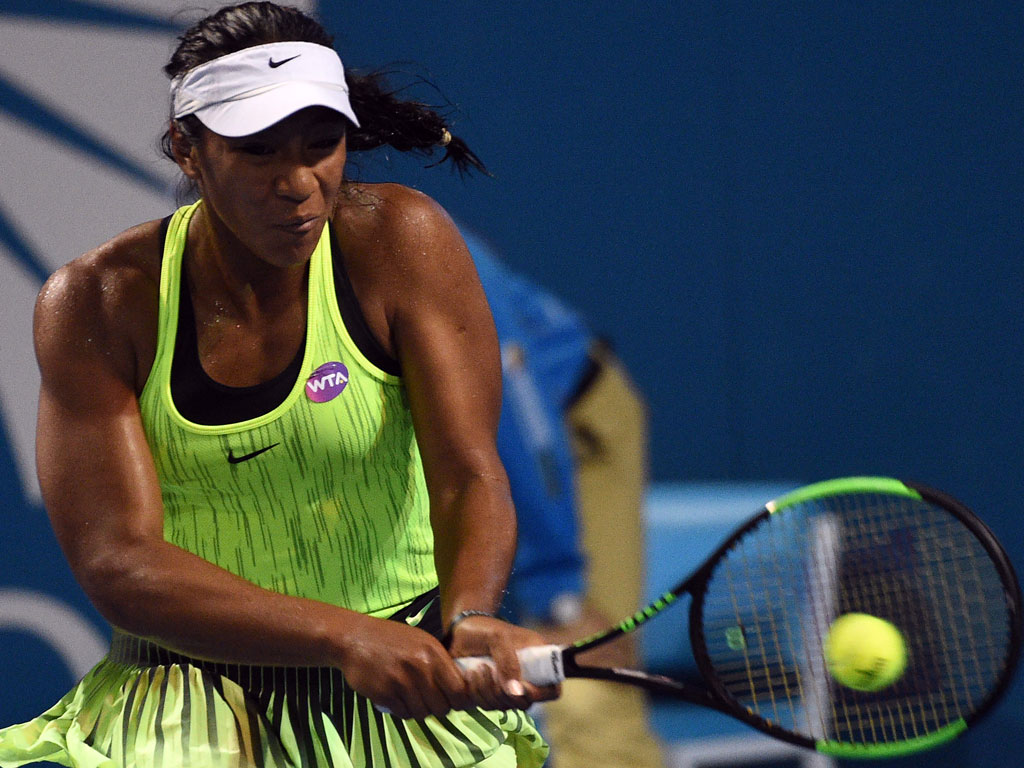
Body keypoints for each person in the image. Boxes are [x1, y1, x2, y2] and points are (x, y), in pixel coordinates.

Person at [0, 3, 556, 767]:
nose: (298, 184)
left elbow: (467, 474)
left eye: (321, 146)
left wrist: (467, 615)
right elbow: (120, 562)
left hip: (397, 692)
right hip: (187, 709)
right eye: (257, 152)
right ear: (186, 150)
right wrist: (342, 635)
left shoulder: (403, 240)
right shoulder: (97, 300)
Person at [469, 239, 663, 768]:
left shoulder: (417, 242)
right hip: (443, 466)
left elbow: (521, 415)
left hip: (568, 440)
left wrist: (563, 598)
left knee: (583, 682)